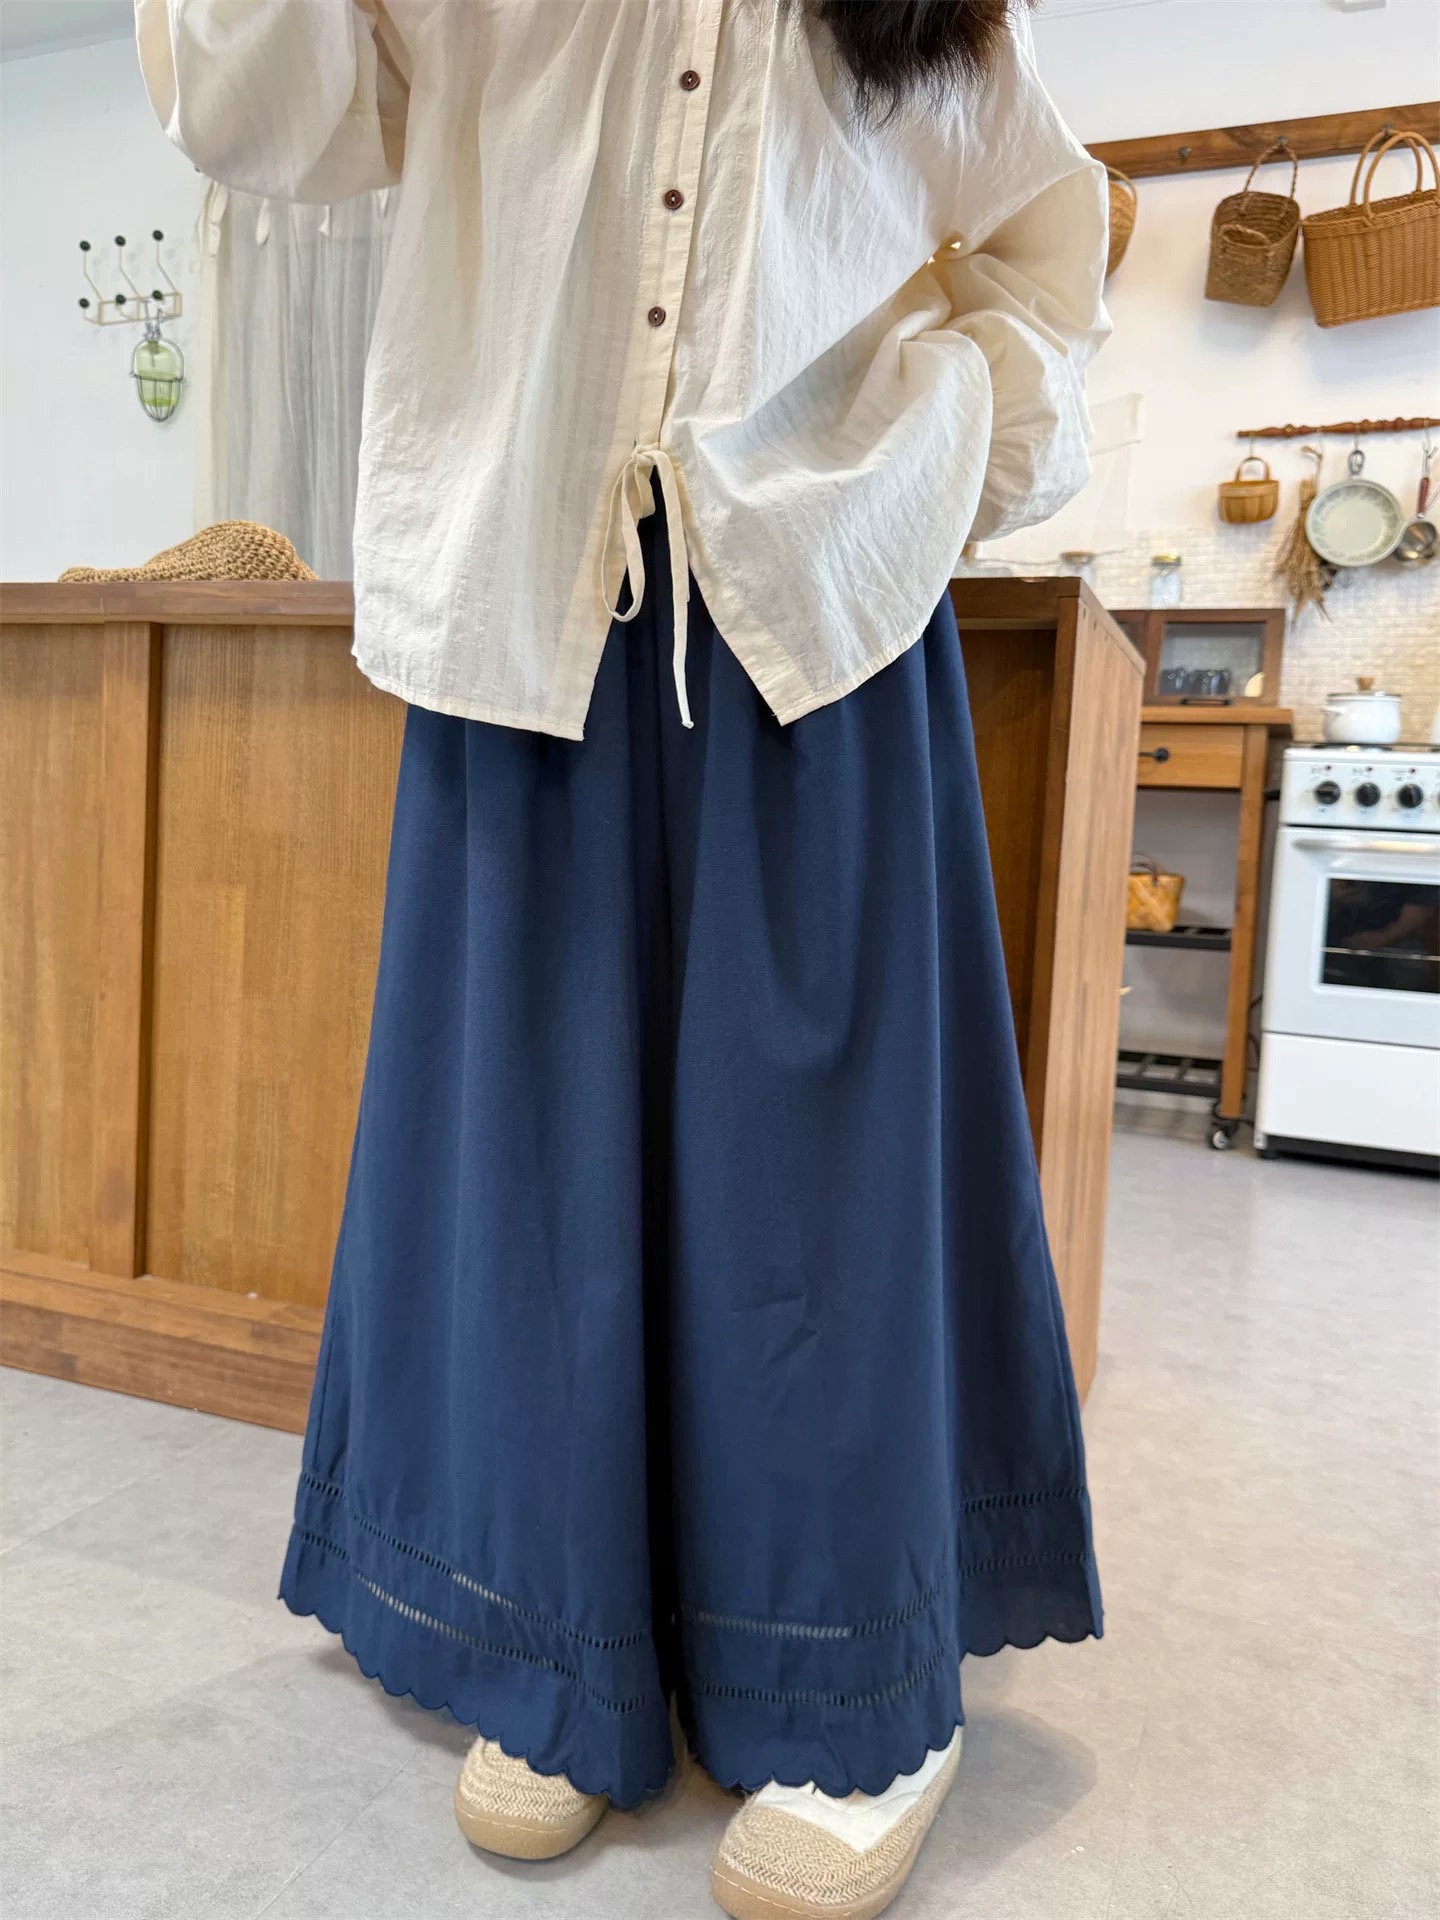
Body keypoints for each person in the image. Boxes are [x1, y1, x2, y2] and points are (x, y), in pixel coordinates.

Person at [137, 4, 1109, 1915]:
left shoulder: (917, 19)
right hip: (526, 596)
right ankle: (553, 1633)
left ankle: (856, 1688)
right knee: (523, 1167)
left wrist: (945, 428)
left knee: (819, 1175)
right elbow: (258, 119)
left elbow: (1048, 242)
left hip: (814, 610)